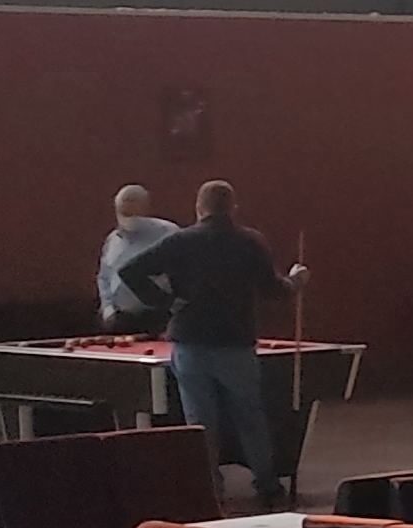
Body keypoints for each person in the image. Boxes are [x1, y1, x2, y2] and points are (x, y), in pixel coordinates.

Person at [114, 181, 311, 508]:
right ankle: (267, 485)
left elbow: (129, 271)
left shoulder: (180, 240)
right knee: (250, 417)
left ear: (198, 208)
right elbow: (274, 290)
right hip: (235, 343)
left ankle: (209, 487)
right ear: (233, 208)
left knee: (199, 423)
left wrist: (166, 302)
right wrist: (297, 279)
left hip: (189, 342)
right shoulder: (249, 241)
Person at [96, 185, 176, 328]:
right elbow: (104, 277)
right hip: (121, 319)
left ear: (146, 208)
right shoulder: (113, 240)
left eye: (133, 213)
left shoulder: (167, 233)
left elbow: (181, 272)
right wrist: (108, 309)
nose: (129, 219)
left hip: (157, 317)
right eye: (124, 213)